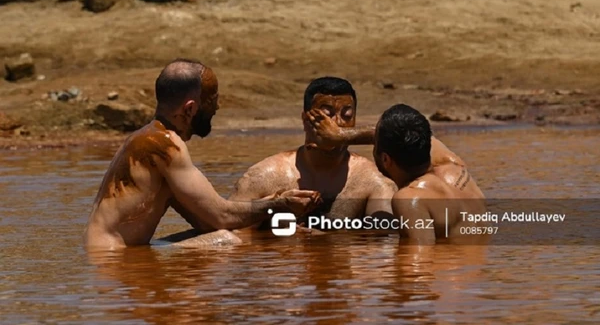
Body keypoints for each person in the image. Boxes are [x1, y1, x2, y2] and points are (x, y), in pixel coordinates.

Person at [83, 58, 321, 250]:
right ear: (190, 109)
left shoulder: (147, 137)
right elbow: (222, 216)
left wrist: (270, 223)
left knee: (227, 236)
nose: (217, 108)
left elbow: (206, 222)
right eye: (212, 101)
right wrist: (279, 204)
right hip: (115, 261)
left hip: (110, 258)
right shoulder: (165, 145)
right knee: (228, 241)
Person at [229, 77, 397, 231]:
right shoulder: (263, 177)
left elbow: (386, 242)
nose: (336, 124)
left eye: (347, 116)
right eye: (326, 115)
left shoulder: (373, 181)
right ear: (304, 119)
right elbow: (231, 233)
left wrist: (329, 240)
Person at [307, 103, 486, 242]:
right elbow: (405, 133)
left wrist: (326, 237)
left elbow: (415, 275)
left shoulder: (410, 199)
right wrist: (339, 136)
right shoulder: (452, 163)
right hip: (473, 278)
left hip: (450, 278)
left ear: (386, 159)